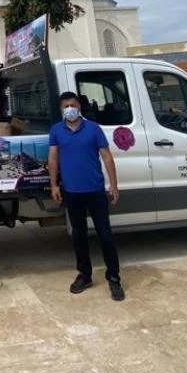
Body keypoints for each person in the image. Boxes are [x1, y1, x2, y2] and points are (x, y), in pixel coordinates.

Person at [48, 91, 125, 301]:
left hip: (95, 191)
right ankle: (85, 275)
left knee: (105, 235)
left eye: (72, 105)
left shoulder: (93, 129)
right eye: (65, 106)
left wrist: (114, 186)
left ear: (79, 106)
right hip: (72, 193)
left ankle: (114, 278)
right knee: (79, 236)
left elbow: (107, 158)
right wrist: (54, 185)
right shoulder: (57, 130)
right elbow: (53, 159)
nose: (69, 109)